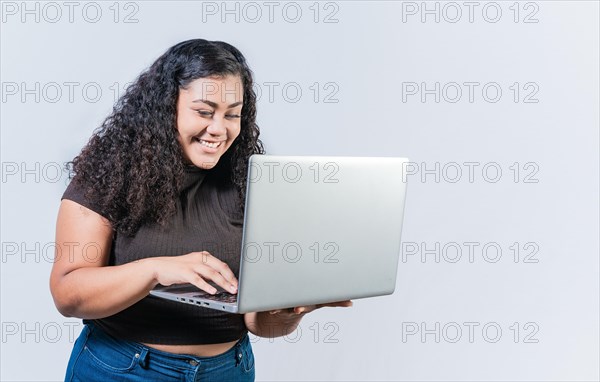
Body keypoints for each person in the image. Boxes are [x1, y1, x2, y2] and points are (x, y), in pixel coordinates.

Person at [49, 38, 352, 381]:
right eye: (205, 112)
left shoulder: (248, 182)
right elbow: (68, 294)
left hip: (229, 369)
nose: (219, 129)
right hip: (125, 369)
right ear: (167, 107)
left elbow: (258, 322)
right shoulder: (110, 175)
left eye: (232, 114)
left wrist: (292, 310)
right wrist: (155, 270)